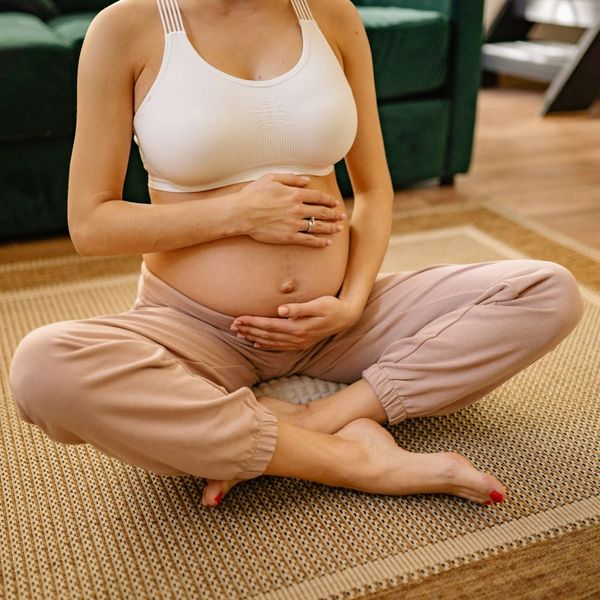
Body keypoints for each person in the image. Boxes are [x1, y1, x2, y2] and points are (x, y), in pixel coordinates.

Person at [9, 0, 583, 509]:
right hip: (196, 329)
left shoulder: (331, 15)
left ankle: (314, 417)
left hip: (337, 323)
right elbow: (91, 224)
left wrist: (353, 302)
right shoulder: (127, 26)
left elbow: (375, 192)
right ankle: (352, 460)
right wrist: (236, 213)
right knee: (43, 367)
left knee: (548, 291)